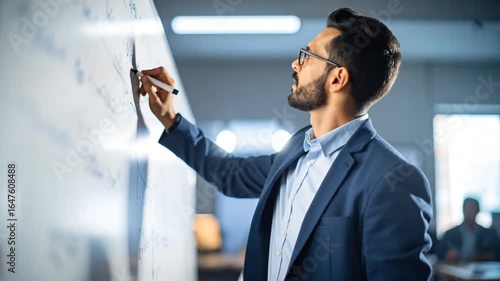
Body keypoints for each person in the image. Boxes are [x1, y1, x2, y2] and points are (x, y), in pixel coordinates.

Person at [139, 7, 433, 281]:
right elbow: (230, 173)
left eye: (308, 55)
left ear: (337, 79)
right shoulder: (295, 149)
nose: (296, 63)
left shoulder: (394, 181)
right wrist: (170, 119)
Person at [437, 198, 499, 263]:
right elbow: (439, 253)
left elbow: (496, 253)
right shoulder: (450, 233)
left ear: (478, 211)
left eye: (472, 209)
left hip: (481, 268)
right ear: (463, 210)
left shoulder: (489, 234)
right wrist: (447, 255)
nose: (469, 212)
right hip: (457, 269)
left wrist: (480, 257)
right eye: (467, 209)